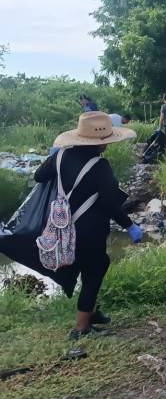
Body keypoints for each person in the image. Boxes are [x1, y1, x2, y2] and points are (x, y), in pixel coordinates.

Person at [34, 112, 143, 339]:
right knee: (95, 269)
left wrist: (53, 159)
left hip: (63, 227)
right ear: (101, 143)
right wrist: (130, 226)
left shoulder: (60, 157)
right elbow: (111, 203)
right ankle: (81, 328)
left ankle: (92, 312)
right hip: (90, 229)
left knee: (87, 267)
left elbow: (38, 177)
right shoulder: (100, 165)